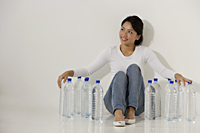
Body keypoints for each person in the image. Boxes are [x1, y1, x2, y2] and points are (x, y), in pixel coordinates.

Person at [57, 15, 192, 127]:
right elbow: (88, 69)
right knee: (120, 75)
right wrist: (69, 73)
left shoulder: (144, 52)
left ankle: (130, 110)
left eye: (130, 32)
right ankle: (118, 112)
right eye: (122, 29)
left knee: (133, 68)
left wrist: (177, 75)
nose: (124, 34)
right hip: (113, 102)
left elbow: (162, 70)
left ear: (138, 36)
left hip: (138, 104)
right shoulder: (111, 51)